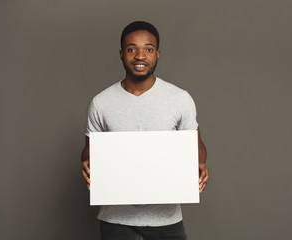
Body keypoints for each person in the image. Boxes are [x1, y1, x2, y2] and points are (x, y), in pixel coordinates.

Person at [81, 21, 209, 240]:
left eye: (148, 49)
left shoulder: (179, 99)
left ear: (157, 54)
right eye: (132, 49)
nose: (140, 56)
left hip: (166, 219)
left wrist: (199, 165)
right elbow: (88, 152)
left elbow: (197, 151)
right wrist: (87, 164)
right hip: (116, 220)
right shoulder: (101, 102)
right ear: (121, 54)